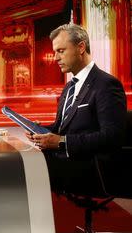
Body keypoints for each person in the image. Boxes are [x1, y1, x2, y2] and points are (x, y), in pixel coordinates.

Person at [26, 23, 127, 193]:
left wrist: (62, 142)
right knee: (22, 170)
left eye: (61, 51)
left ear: (81, 47)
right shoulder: (69, 87)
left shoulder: (106, 84)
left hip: (89, 169)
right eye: (55, 52)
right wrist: (41, 130)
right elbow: (61, 128)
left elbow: (113, 136)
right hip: (65, 163)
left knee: (26, 178)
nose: (55, 58)